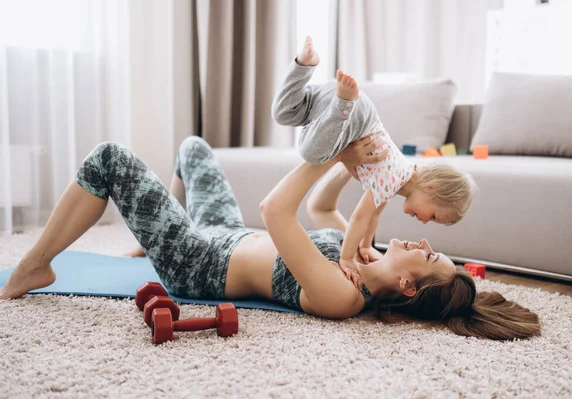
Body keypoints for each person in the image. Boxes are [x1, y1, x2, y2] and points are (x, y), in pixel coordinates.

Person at [0, 135, 540, 340]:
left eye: (429, 255)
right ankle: (148, 238)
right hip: (225, 232)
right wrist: (366, 165)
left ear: (405, 287)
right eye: (431, 243)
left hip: (197, 262)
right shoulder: (359, 254)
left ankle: (37, 263)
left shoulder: (344, 295)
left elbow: (278, 211)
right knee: (193, 148)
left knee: (108, 159)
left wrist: (330, 147)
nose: (422, 244)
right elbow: (319, 206)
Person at [272, 36, 476, 273]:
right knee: (311, 152)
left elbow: (373, 217)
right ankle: (342, 103)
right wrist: (347, 258)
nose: (423, 222)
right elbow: (360, 217)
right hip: (355, 114)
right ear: (432, 190)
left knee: (284, 114)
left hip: (342, 111)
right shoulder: (392, 180)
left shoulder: (398, 177)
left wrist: (367, 245)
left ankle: (304, 65)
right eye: (431, 215)